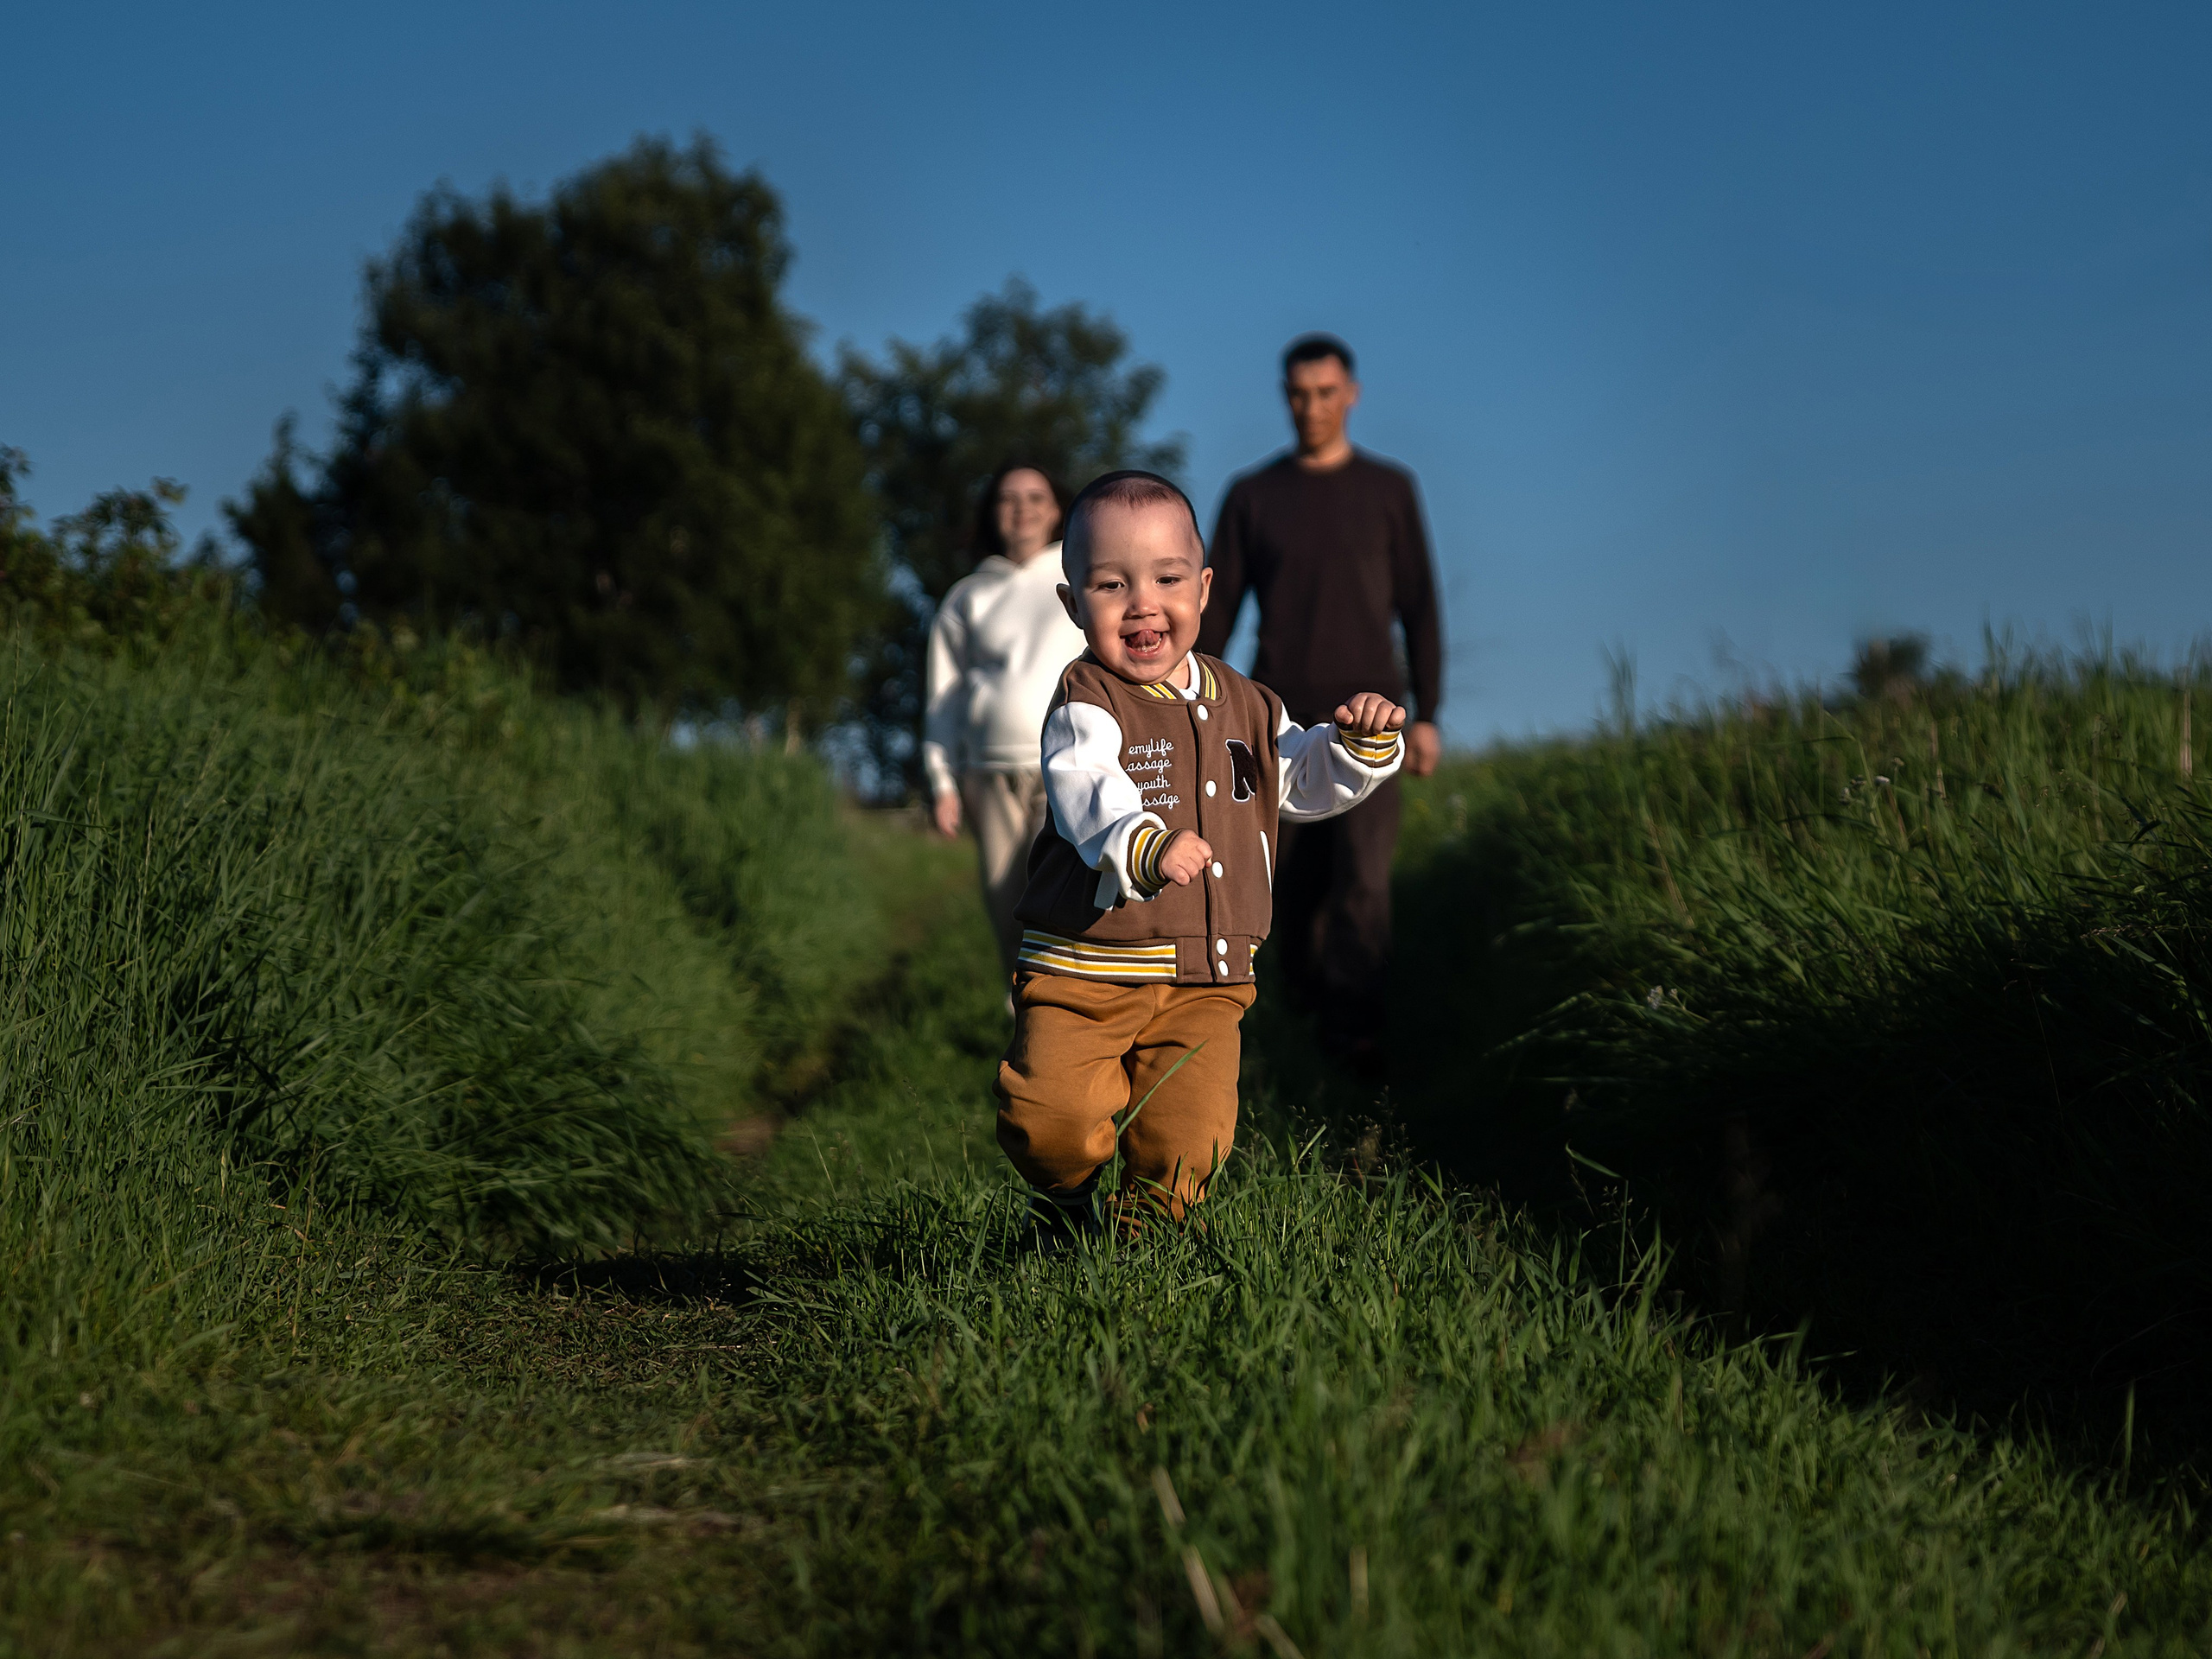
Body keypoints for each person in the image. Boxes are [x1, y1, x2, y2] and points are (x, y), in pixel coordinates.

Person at [994, 471, 1405, 1235]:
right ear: (1072, 604)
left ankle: (1142, 1251)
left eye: (1168, 578)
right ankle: (1065, 1196)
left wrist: (1360, 748)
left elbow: (1303, 780)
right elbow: (1087, 791)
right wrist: (1141, 846)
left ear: (1205, 588)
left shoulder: (1249, 702)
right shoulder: (1087, 699)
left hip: (1207, 977)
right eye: (1111, 584)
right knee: (1049, 1117)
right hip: (1085, 966)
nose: (1143, 603)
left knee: (1191, 1140)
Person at [1195, 334, 1445, 1070]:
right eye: (1299, 395)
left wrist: (1428, 714)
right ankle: (1294, 1019)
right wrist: (1185, 707)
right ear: (1285, 397)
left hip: (1375, 720)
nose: (1312, 408)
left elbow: (1422, 606)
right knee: (1283, 891)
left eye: (1326, 393)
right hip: (1275, 722)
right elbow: (1215, 613)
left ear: (1352, 395)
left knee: (1364, 882)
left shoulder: (1389, 490)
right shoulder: (1252, 496)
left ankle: (1356, 1041)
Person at [923, 462, 1088, 980]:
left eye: (1035, 497)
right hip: (987, 773)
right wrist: (941, 781)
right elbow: (943, 697)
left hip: (1065, 764)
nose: (1022, 509)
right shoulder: (968, 596)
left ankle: (1070, 1019)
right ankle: (1021, 1019)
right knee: (1005, 902)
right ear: (993, 514)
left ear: (1057, 509)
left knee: (1062, 899)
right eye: (1008, 499)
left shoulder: (1079, 580)